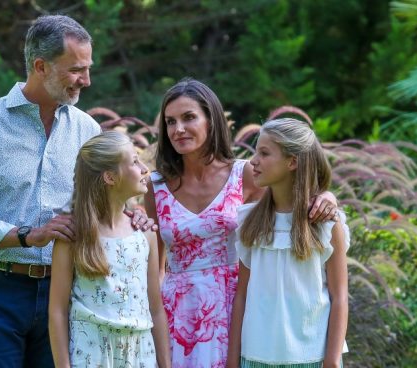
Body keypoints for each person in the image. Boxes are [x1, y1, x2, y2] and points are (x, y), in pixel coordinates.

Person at [0, 15, 150, 368]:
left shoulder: (87, 129)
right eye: (76, 70)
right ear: (40, 66)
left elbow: (103, 200)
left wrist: (134, 217)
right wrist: (29, 236)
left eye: (87, 69)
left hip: (68, 291)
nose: (85, 80)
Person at [144, 78, 338, 367]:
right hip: (178, 316)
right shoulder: (155, 186)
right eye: (170, 122)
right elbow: (154, 267)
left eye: (188, 118)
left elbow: (287, 202)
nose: (178, 129)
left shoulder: (245, 174)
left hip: (237, 309)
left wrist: (328, 197)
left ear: (211, 120)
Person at [227, 118, 349, 368]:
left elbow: (340, 296)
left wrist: (333, 360)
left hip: (311, 356)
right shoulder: (249, 221)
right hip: (255, 356)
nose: (253, 161)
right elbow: (241, 295)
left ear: (292, 162)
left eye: (264, 153)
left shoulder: (326, 224)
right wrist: (233, 359)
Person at [49, 131, 171, 367]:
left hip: (140, 356)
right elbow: (57, 312)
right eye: (134, 161)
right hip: (91, 357)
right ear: (110, 177)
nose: (145, 168)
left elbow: (155, 309)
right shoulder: (73, 237)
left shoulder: (145, 234)